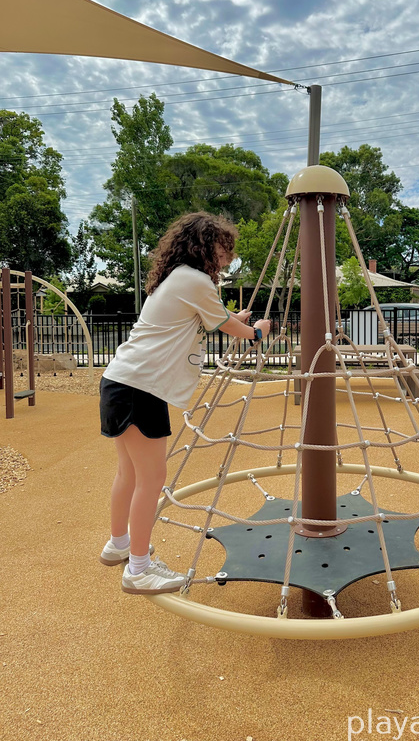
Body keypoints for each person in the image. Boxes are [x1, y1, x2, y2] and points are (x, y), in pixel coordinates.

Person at [98, 212, 271, 595]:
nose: (227, 259)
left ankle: (120, 544)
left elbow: (215, 318)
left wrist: (236, 320)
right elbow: (230, 327)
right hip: (140, 388)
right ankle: (139, 570)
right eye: (224, 250)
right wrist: (256, 332)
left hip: (119, 382)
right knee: (151, 479)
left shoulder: (176, 278)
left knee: (128, 472)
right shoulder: (194, 280)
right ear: (205, 246)